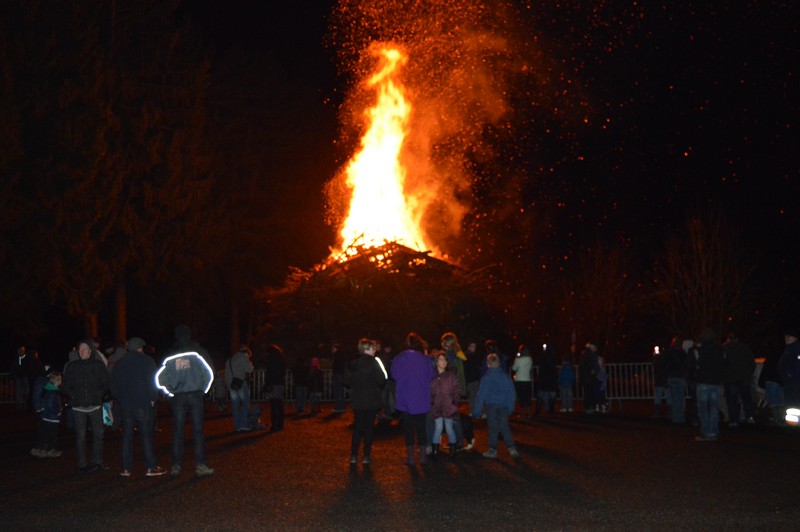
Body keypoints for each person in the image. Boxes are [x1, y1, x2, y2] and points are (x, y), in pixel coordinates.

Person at [155, 324, 215, 477]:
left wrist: (170, 392)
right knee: (198, 430)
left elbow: (160, 378)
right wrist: (203, 390)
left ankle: (176, 465)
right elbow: (209, 373)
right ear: (189, 334)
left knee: (178, 430)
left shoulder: (170, 354)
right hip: (195, 395)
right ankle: (200, 465)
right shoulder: (198, 351)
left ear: (176, 336)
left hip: (178, 397)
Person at [110, 337, 165, 477]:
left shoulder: (120, 363)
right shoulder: (147, 361)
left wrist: (120, 399)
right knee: (146, 436)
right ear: (140, 348)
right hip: (143, 404)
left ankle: (126, 468)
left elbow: (113, 385)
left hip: (126, 405)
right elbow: (153, 382)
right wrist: (153, 398)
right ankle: (151, 467)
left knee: (127, 437)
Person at [62, 339, 110, 472]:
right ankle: (82, 463)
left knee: (98, 434)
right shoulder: (72, 366)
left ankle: (97, 461)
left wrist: (99, 395)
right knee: (81, 437)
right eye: (80, 349)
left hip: (95, 406)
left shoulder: (98, 365)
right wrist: (73, 396)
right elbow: (65, 385)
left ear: (90, 350)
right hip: (78, 407)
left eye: (85, 348)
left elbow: (106, 383)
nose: (82, 351)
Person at [391, 332, 434, 465]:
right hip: (421, 396)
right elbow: (431, 375)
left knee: (408, 427)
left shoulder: (399, 358)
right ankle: (422, 456)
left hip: (405, 396)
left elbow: (394, 374)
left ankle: (410, 457)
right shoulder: (425, 360)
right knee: (421, 427)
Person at [344, 338, 387, 465]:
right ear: (366, 349)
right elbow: (382, 379)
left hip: (357, 400)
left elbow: (346, 380)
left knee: (357, 427)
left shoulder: (353, 364)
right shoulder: (375, 363)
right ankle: (366, 456)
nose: (375, 350)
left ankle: (353, 455)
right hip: (372, 400)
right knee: (369, 428)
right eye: (373, 348)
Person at [473, 353, 519, 459]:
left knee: (493, 428)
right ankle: (512, 449)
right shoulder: (505, 377)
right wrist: (510, 407)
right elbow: (512, 393)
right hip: (504, 406)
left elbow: (481, 396)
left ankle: (492, 450)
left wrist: (477, 411)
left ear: (488, 364)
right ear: (499, 363)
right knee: (505, 427)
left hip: (491, 407)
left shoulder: (486, 378)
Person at [693, 329, 725, 441]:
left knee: (703, 409)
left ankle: (705, 431)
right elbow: (724, 365)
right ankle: (713, 431)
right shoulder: (720, 350)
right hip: (715, 382)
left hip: (703, 382)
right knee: (714, 408)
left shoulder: (699, 350)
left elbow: (694, 364)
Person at [429, 350, 461, 460]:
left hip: (448, 406)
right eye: (441, 359)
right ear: (436, 362)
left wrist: (454, 403)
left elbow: (457, 390)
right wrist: (431, 402)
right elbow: (428, 391)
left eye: (445, 360)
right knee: (438, 428)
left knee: (449, 428)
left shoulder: (450, 376)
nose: (443, 362)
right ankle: (435, 449)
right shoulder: (432, 376)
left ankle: (453, 449)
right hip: (437, 406)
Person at [722, 333, 756, 427]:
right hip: (743, 377)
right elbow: (751, 362)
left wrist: (724, 376)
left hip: (730, 378)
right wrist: (748, 374)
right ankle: (749, 417)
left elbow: (722, 363)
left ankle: (733, 420)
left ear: (728, 339)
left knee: (731, 400)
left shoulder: (725, 349)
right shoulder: (744, 348)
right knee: (746, 398)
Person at [31, 368, 63, 458]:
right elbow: (50, 404)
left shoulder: (46, 387)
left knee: (44, 433)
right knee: (50, 434)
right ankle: (49, 450)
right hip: (50, 416)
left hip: (45, 414)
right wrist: (58, 412)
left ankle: (41, 449)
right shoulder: (52, 391)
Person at [226, 345, 254, 432]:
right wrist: (250, 362)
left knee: (235, 406)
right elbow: (250, 369)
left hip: (231, 385)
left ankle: (237, 426)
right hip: (240, 383)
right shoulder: (243, 358)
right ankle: (244, 424)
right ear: (247, 354)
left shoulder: (229, 360)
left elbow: (226, 374)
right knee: (245, 404)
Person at [663, 337, 688, 424]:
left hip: (672, 377)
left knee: (674, 398)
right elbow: (686, 364)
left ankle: (675, 418)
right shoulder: (683, 353)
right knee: (680, 398)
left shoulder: (669, 352)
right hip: (680, 377)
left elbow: (665, 364)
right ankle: (680, 417)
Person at [264, 343, 286, 432]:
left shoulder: (270, 360)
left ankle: (274, 424)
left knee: (273, 405)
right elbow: (282, 371)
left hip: (273, 384)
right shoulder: (281, 359)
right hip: (279, 383)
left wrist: (268, 383)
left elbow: (269, 373)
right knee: (279, 404)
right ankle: (280, 423)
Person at [778, 328, 800, 412]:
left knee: (795, 405)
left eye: (789, 336)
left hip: (795, 384)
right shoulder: (787, 350)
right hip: (788, 384)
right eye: (786, 336)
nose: (787, 338)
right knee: (790, 407)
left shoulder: (796, 349)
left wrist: (791, 374)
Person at [536, 343, 559, 416]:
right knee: (552, 395)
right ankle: (551, 411)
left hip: (543, 377)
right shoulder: (554, 357)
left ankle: (538, 411)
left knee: (541, 394)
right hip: (552, 377)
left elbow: (538, 362)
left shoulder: (543, 356)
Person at [11, 346, 36, 411]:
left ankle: (26, 404)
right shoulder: (16, 359)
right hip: (18, 377)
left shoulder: (27, 359)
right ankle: (19, 405)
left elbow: (30, 368)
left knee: (27, 391)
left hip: (26, 377)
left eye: (21, 350)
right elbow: (13, 368)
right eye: (19, 350)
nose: (20, 352)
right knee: (18, 391)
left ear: (24, 351)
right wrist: (13, 377)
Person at [511, 345, 533, 418]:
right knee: (527, 397)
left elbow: (514, 368)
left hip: (519, 380)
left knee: (521, 397)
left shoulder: (518, 360)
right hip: (527, 379)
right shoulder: (530, 359)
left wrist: (516, 358)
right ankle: (528, 413)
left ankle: (522, 413)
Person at [579, 343, 601, 414]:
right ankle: (589, 407)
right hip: (589, 377)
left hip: (587, 377)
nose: (596, 348)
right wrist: (593, 370)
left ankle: (588, 407)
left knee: (588, 392)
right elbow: (592, 366)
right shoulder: (590, 355)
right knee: (590, 393)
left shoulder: (586, 354)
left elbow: (582, 366)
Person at [463, 340, 482, 415]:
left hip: (471, 379)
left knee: (472, 396)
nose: (474, 348)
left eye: (475, 346)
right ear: (469, 347)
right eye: (473, 346)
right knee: (474, 396)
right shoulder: (469, 356)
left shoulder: (469, 356)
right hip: (472, 379)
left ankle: (473, 411)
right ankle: (475, 412)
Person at [652, 345, 669, 418]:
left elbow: (655, 365)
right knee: (668, 397)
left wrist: (655, 357)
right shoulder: (668, 357)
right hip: (666, 379)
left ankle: (657, 413)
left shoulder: (658, 358)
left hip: (659, 380)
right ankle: (669, 413)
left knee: (658, 397)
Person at [331, 343, 348, 413]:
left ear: (336, 348)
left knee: (338, 391)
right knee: (340, 391)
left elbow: (336, 366)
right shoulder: (340, 355)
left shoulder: (337, 356)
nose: (332, 350)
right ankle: (341, 407)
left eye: (333, 348)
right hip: (339, 375)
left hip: (337, 374)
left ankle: (339, 407)